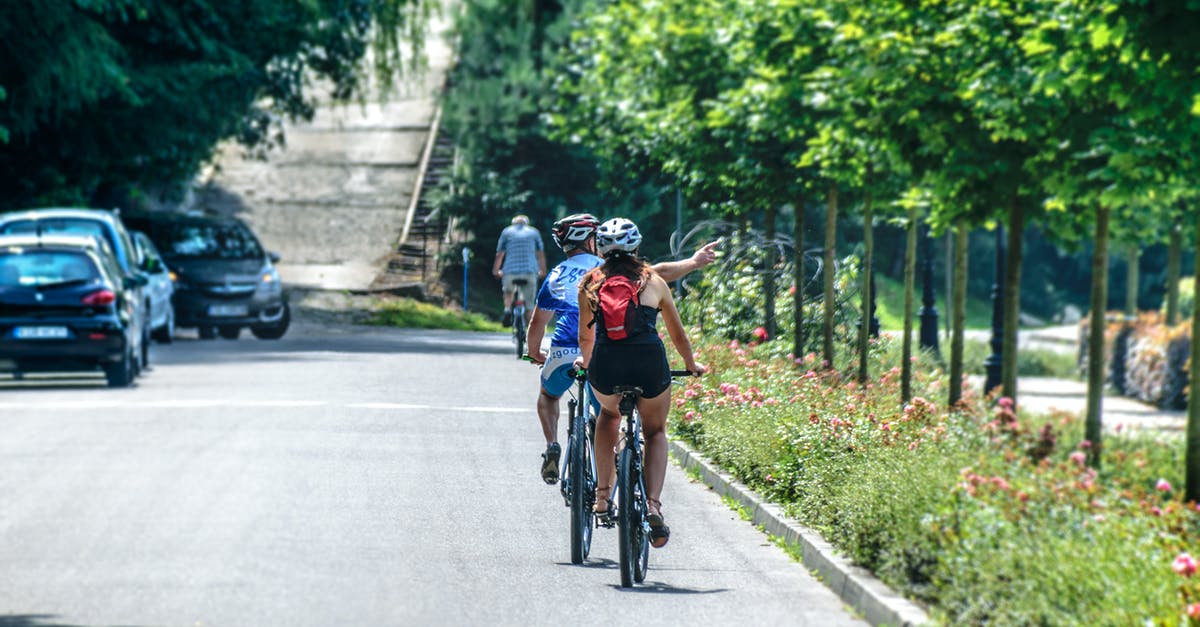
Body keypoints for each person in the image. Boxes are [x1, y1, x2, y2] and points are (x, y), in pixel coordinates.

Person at [526, 215, 717, 486]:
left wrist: (535, 353)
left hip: (568, 353)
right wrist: (693, 262)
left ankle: (552, 443)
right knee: (610, 417)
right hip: (615, 354)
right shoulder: (612, 270)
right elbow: (659, 272)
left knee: (548, 394)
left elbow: (538, 323)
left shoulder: (563, 275)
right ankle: (621, 470)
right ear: (592, 242)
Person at [574, 217, 706, 549]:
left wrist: (586, 364)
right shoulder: (654, 281)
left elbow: (585, 337)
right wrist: (691, 365)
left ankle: (602, 497)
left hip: (606, 366)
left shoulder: (589, 282)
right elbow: (677, 334)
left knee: (608, 416)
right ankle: (653, 506)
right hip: (648, 365)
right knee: (655, 432)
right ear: (636, 246)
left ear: (600, 249)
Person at [493, 214, 546, 327]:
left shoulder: (507, 232)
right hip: (530, 271)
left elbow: (500, 254)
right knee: (529, 304)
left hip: (509, 271)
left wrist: (496, 270)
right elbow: (540, 253)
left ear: (513, 223)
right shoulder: (534, 232)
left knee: (508, 292)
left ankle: (507, 310)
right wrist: (542, 270)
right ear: (526, 223)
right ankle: (527, 331)